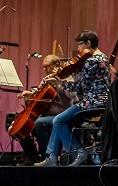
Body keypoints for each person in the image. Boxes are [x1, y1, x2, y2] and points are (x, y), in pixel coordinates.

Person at [37, 30, 110, 166]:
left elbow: (80, 87)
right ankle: (52, 157)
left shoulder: (91, 60)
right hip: (104, 101)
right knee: (61, 120)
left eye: (80, 45)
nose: (78, 49)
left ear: (88, 43)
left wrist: (59, 83)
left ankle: (78, 152)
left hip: (92, 103)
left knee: (58, 120)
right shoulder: (104, 58)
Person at [17, 55, 71, 164]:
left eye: (47, 66)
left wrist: (59, 83)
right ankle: (32, 156)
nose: (45, 70)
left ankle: (47, 156)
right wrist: (31, 94)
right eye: (43, 67)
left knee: (40, 123)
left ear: (56, 65)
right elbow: (40, 94)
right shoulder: (46, 79)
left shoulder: (67, 77)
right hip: (46, 114)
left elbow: (71, 95)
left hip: (61, 115)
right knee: (18, 125)